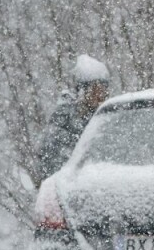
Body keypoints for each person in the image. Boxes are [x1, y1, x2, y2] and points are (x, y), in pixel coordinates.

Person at [35, 54, 111, 183]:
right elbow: (50, 158)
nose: (100, 96)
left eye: (103, 91)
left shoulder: (104, 117)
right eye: (95, 91)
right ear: (82, 91)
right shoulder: (64, 119)